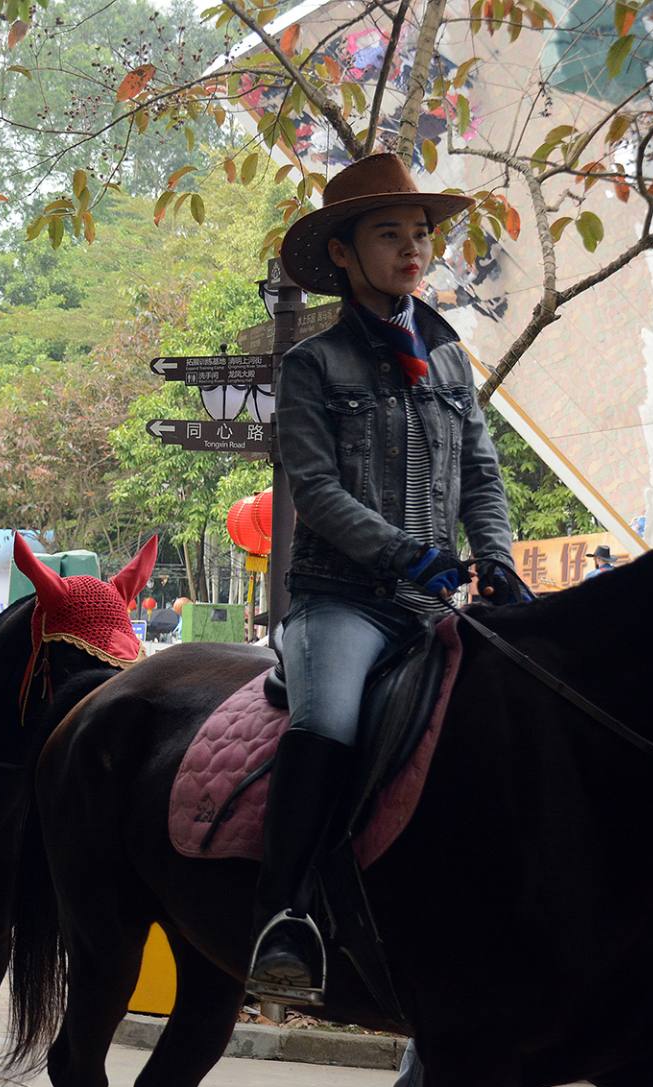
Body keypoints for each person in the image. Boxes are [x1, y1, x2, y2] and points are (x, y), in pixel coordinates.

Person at [248, 154, 527, 1004]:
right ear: (342, 252)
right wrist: (405, 555)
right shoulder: (311, 366)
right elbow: (318, 489)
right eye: (388, 233)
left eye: (420, 233)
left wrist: (502, 563)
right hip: (343, 602)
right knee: (328, 719)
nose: (412, 249)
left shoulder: (449, 363)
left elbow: (481, 475)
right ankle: (285, 917)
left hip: (434, 601)